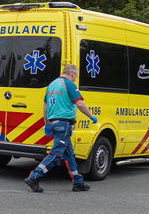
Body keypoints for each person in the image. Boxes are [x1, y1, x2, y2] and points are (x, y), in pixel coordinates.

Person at [24, 63, 98, 193]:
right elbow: (80, 103)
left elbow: (45, 107)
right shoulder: (69, 84)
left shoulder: (52, 85)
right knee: (57, 154)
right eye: (75, 76)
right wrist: (92, 117)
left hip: (54, 122)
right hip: (64, 124)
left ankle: (78, 181)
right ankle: (34, 176)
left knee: (69, 155)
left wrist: (47, 124)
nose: (75, 79)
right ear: (72, 73)